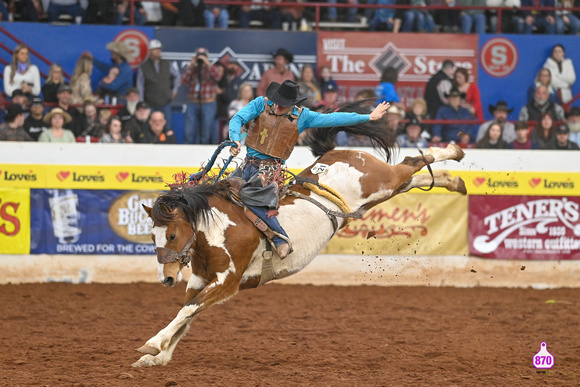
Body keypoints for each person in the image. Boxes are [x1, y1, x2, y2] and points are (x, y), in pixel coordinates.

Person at [228, 80, 390, 258]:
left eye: (283, 104)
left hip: (269, 171)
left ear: (291, 105)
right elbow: (238, 118)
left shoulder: (302, 116)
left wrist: (367, 117)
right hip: (248, 164)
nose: (277, 106)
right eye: (276, 101)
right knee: (221, 189)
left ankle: (280, 239)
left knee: (250, 196)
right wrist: (235, 138)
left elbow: (333, 119)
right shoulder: (260, 103)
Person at [137, 39, 181, 130]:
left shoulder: (167, 63)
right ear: (150, 51)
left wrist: (174, 90)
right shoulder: (143, 66)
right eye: (155, 49)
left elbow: (177, 76)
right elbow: (140, 84)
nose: (158, 51)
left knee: (167, 128)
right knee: (149, 128)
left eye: (159, 49)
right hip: (150, 102)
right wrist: (141, 100)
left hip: (165, 101)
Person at [181, 47, 220, 144]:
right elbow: (182, 81)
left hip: (208, 103)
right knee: (189, 130)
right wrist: (191, 66)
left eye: (203, 57)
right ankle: (186, 151)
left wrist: (207, 64)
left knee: (206, 131)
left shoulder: (213, 68)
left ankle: (203, 153)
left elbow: (218, 77)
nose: (201, 59)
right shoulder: (191, 69)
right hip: (192, 103)